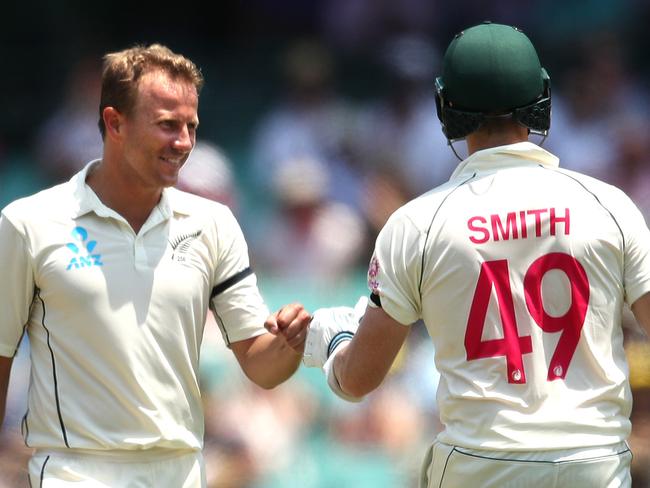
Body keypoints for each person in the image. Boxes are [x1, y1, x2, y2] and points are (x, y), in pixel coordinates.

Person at [269, 22, 650, 487]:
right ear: (543, 99)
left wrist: (332, 342)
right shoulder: (611, 207)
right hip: (595, 467)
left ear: (446, 109)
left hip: (480, 468)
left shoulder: (417, 224)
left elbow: (358, 379)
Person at [0, 43, 311, 487]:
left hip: (180, 473)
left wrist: (287, 344)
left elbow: (261, 366)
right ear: (115, 123)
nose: (183, 142)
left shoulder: (213, 223)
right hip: (75, 473)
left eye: (191, 126)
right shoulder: (29, 223)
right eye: (167, 125)